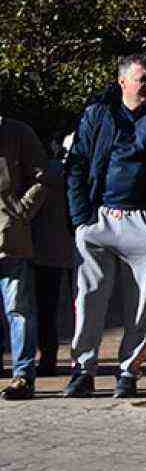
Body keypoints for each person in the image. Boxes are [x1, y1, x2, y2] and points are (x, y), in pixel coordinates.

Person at [65, 53, 146, 399]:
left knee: (141, 305)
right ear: (123, 82)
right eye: (141, 79)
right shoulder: (97, 115)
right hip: (99, 218)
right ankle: (83, 370)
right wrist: (81, 219)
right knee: (89, 299)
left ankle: (128, 372)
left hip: (144, 221)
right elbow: (76, 165)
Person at [0, 113, 48, 400]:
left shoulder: (18, 133)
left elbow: (42, 178)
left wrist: (20, 213)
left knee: (18, 310)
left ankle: (23, 375)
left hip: (10, 239)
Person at [31, 136, 73, 378]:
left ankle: (49, 358)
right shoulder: (77, 171)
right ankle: (81, 359)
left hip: (46, 249)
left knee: (46, 308)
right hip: (73, 246)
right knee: (82, 307)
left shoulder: (45, 173)